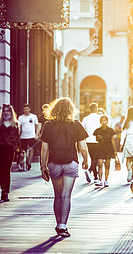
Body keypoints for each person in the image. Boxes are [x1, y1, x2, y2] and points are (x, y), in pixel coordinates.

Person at [40, 97, 89, 238]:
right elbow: (83, 147)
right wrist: (86, 160)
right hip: (71, 162)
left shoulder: (48, 125)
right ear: (71, 110)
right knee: (66, 195)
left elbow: (44, 149)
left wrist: (43, 166)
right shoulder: (76, 125)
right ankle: (63, 226)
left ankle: (57, 223)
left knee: (58, 196)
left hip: (54, 163)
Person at [0, 104, 21, 202]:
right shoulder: (0, 123)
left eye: (8, 111)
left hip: (10, 150)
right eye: (4, 111)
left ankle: (5, 192)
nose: (6, 112)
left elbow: (17, 139)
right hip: (0, 149)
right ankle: (2, 188)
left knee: (6, 170)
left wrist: (20, 151)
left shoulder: (15, 124)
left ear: (11, 112)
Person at [93, 116, 117, 187]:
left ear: (107, 121)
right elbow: (96, 139)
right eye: (102, 121)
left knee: (107, 165)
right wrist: (98, 138)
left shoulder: (110, 130)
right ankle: (100, 180)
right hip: (100, 147)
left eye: (105, 120)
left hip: (108, 148)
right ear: (100, 122)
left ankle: (106, 180)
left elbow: (112, 140)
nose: (103, 122)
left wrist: (115, 151)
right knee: (100, 164)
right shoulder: (97, 130)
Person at [81, 103, 101, 184]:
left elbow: (82, 130)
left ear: (90, 109)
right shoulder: (100, 118)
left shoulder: (85, 119)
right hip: (98, 141)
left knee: (93, 158)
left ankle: (95, 177)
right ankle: (89, 171)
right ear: (97, 108)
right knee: (96, 159)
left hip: (89, 141)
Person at [18, 103, 39, 170]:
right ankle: (24, 163)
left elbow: (37, 126)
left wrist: (36, 134)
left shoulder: (34, 116)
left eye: (27, 109)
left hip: (31, 136)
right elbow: (19, 127)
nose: (25, 110)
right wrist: (18, 135)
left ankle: (29, 163)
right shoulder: (20, 117)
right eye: (24, 109)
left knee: (31, 150)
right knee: (23, 151)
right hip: (23, 136)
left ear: (29, 109)